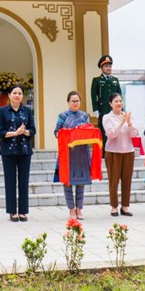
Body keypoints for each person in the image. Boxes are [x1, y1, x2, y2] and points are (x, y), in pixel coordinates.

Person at [0, 85, 35, 222]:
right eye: (15, 93)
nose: (17, 95)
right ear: (9, 95)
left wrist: (25, 132)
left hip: (25, 150)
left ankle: (23, 211)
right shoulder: (2, 111)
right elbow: (0, 132)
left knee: (23, 181)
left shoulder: (27, 111)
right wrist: (15, 133)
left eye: (19, 93)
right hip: (8, 151)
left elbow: (33, 129)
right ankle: (12, 211)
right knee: (10, 181)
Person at [54, 91, 93, 219]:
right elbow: (57, 132)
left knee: (81, 182)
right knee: (68, 181)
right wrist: (69, 132)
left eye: (77, 101)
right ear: (68, 102)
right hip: (67, 153)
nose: (75, 103)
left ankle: (79, 208)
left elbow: (89, 131)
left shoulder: (84, 116)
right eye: (73, 101)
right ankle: (71, 208)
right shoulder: (63, 115)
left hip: (82, 152)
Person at [102, 93, 138, 217]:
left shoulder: (128, 116)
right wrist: (121, 123)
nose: (119, 103)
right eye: (116, 101)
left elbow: (134, 134)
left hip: (128, 151)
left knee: (127, 180)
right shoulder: (107, 117)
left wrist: (128, 123)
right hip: (113, 152)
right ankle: (114, 206)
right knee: (114, 180)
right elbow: (111, 134)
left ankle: (125, 206)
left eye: (120, 101)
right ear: (110, 104)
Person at [90, 55, 121, 149]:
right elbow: (93, 95)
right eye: (106, 66)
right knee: (104, 130)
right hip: (103, 109)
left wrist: (121, 108)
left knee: (116, 127)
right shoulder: (97, 80)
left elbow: (119, 95)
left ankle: (115, 148)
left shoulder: (115, 80)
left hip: (115, 110)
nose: (108, 68)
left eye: (110, 66)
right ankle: (105, 151)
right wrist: (95, 109)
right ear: (101, 68)